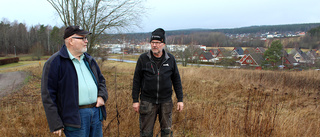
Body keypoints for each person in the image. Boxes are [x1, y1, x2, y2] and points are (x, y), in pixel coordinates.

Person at [41, 26, 108, 137]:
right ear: (70, 41)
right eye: (82, 38)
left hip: (96, 112)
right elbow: (48, 94)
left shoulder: (89, 60)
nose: (86, 41)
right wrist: (55, 122)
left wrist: (102, 96)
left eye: (86, 38)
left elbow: (101, 81)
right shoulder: (55, 62)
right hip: (74, 117)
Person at [132, 28, 184, 137]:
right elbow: (136, 80)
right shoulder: (143, 59)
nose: (154, 45)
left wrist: (180, 99)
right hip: (147, 102)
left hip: (166, 102)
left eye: (157, 43)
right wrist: (135, 100)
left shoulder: (170, 59)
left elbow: (176, 80)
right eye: (152, 42)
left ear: (163, 44)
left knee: (166, 132)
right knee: (146, 133)